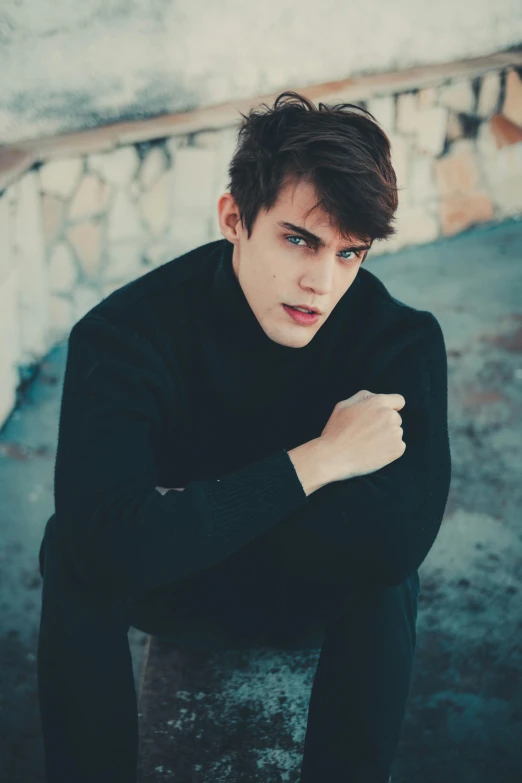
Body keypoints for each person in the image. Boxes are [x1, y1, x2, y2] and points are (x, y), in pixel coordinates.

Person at [37, 91, 451, 782]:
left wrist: (179, 511)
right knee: (72, 551)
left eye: (351, 254)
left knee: (387, 583)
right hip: (177, 591)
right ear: (235, 217)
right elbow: (102, 545)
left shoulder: (398, 341)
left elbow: (392, 543)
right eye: (300, 239)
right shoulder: (124, 335)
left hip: (303, 590)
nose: (321, 283)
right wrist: (319, 462)